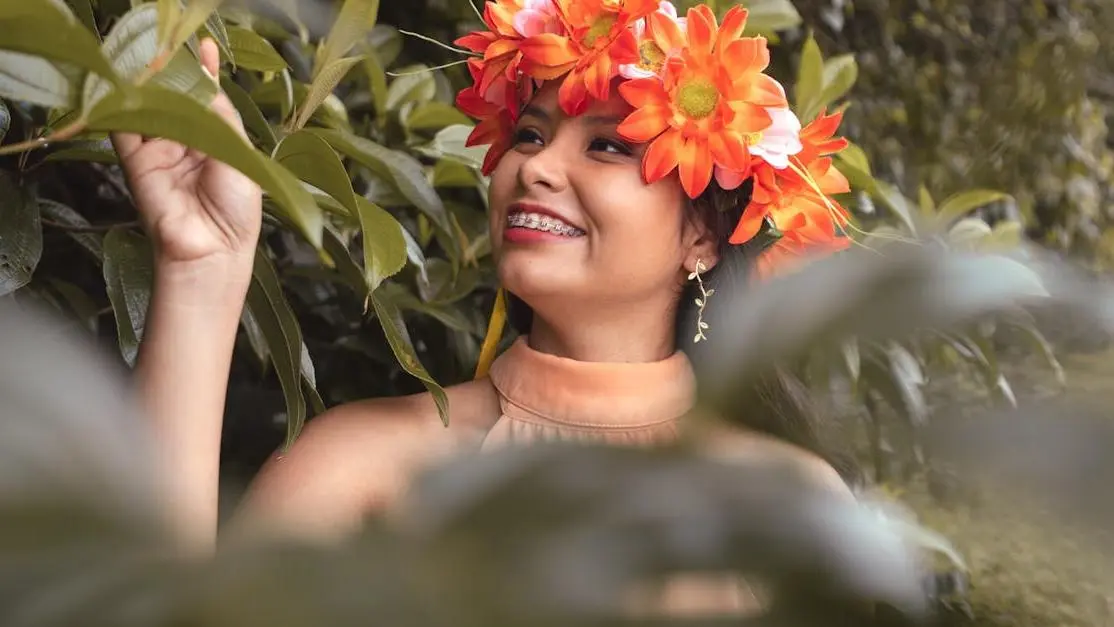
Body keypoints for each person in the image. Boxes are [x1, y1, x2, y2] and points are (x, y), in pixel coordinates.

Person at [114, 0, 858, 601]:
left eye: (607, 146)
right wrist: (200, 271)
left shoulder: (792, 507)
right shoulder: (363, 462)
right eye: (530, 134)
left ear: (702, 235)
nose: (535, 169)